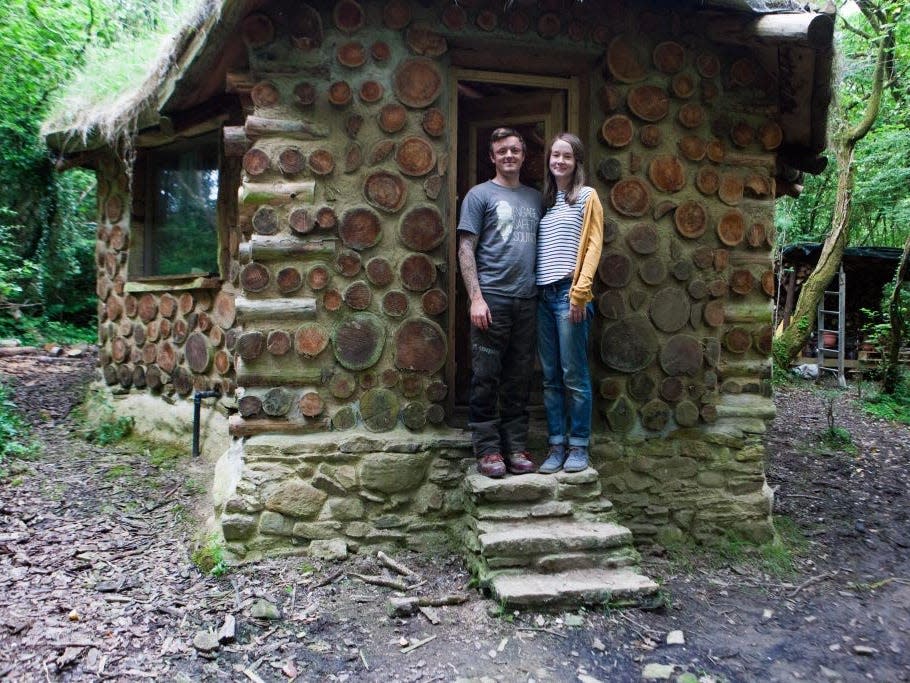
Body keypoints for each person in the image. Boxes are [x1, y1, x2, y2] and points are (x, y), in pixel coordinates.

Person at [457, 127, 542, 478]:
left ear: (523, 156)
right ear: (492, 157)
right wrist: (475, 298)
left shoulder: (537, 198)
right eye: (502, 151)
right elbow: (466, 247)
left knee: (519, 377)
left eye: (514, 150)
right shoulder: (478, 196)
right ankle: (488, 449)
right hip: (492, 298)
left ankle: (516, 445)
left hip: (527, 300)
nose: (509, 156)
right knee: (486, 376)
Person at [535, 132, 603, 474]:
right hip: (543, 297)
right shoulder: (546, 201)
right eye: (554, 155)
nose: (559, 161)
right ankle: (556, 445)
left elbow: (593, 247)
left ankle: (578, 446)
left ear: (576, 162)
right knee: (549, 377)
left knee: (573, 374)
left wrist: (580, 293)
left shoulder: (587, 197)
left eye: (566, 156)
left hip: (569, 294)